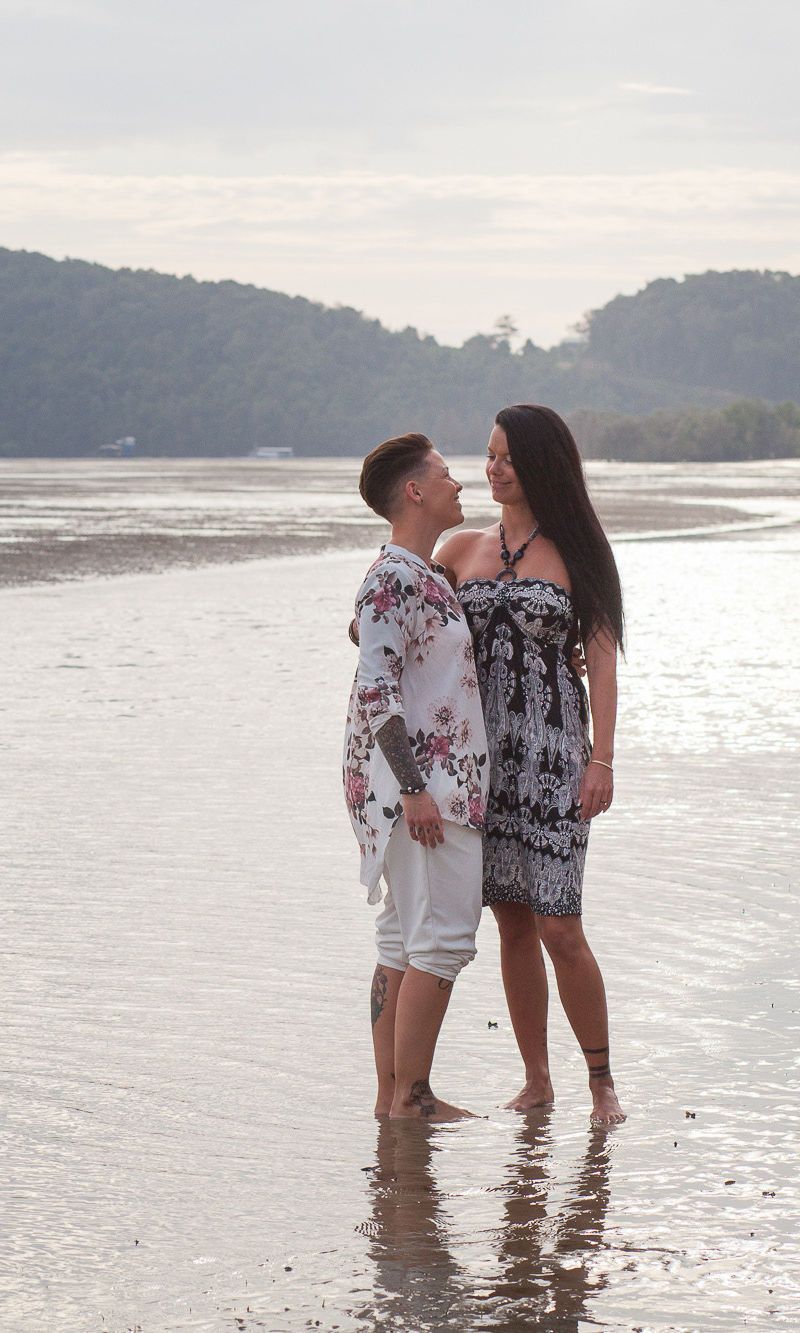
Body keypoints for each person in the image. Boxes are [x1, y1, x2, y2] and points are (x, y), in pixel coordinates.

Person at [436, 404, 628, 1124]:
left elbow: (603, 665)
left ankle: (602, 1081)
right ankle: (536, 1079)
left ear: (542, 463)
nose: (493, 468)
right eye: (488, 455)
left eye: (508, 457)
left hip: (554, 759)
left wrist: (601, 759)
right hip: (482, 765)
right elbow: (395, 612)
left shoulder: (578, 552)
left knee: (560, 926)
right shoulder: (458, 551)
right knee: (511, 923)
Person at [344, 432, 489, 1122]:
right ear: (415, 491)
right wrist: (413, 788)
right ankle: (411, 1095)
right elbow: (377, 691)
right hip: (428, 789)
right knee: (443, 939)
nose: (459, 483)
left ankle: (393, 1099)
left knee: (404, 936)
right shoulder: (392, 575)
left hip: (433, 784)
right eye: (446, 474)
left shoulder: (416, 574)